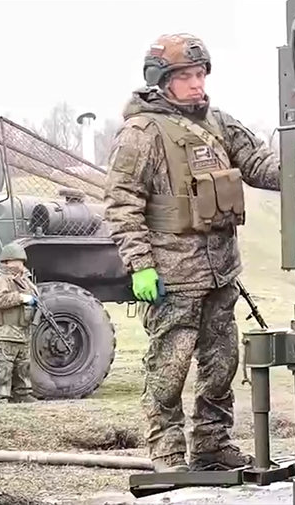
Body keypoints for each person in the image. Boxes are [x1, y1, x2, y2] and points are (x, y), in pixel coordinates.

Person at [102, 33, 281, 473]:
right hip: (172, 274)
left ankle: (212, 445)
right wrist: (140, 266)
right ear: (163, 80)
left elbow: (259, 164)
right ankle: (166, 453)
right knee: (169, 367)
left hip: (221, 271)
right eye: (186, 76)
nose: (197, 84)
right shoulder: (141, 134)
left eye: (200, 74)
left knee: (221, 364)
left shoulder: (219, 123)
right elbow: (122, 204)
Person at [0, 243, 39, 405]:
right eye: (18, 261)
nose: (21, 265)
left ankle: (23, 393)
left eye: (23, 262)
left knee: (23, 364)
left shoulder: (23, 278)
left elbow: (34, 295)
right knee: (4, 365)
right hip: (4, 328)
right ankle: (0, 397)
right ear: (7, 261)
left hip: (22, 328)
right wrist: (21, 298)